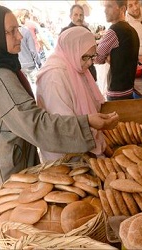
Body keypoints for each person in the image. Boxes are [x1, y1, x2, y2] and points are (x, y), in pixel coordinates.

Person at [0, 4, 119, 196]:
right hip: (8, 173)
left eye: (18, 29)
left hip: (12, 162)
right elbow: (35, 124)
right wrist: (86, 123)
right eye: (12, 31)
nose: (20, 36)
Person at [36, 27, 106, 162]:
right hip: (64, 155)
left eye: (92, 56)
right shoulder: (54, 76)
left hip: (82, 148)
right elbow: (63, 124)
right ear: (71, 50)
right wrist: (91, 129)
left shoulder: (76, 66)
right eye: (85, 57)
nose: (90, 62)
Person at [94, 0, 140, 101]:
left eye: (109, 6)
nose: (105, 11)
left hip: (116, 93)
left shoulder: (113, 31)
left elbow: (96, 58)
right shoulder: (133, 31)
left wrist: (107, 57)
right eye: (105, 7)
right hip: (128, 90)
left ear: (122, 9)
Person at [60, 4, 97, 82]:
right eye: (76, 15)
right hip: (74, 75)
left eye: (81, 15)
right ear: (70, 16)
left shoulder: (86, 31)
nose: (79, 18)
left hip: (89, 71)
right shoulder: (65, 33)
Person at [13, 9, 42, 94]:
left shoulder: (11, 34)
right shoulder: (25, 31)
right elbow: (32, 50)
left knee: (27, 88)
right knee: (37, 86)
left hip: (20, 65)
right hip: (30, 63)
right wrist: (38, 62)